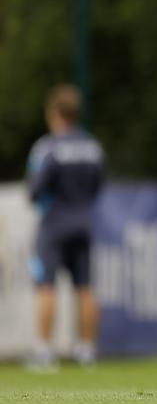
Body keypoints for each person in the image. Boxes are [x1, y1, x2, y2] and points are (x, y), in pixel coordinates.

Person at [26, 85, 105, 370]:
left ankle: (44, 351)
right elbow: (98, 185)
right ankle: (87, 350)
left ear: (56, 113)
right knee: (85, 287)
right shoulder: (92, 148)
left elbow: (34, 190)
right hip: (83, 223)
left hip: (54, 224)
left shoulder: (49, 148)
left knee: (46, 285)